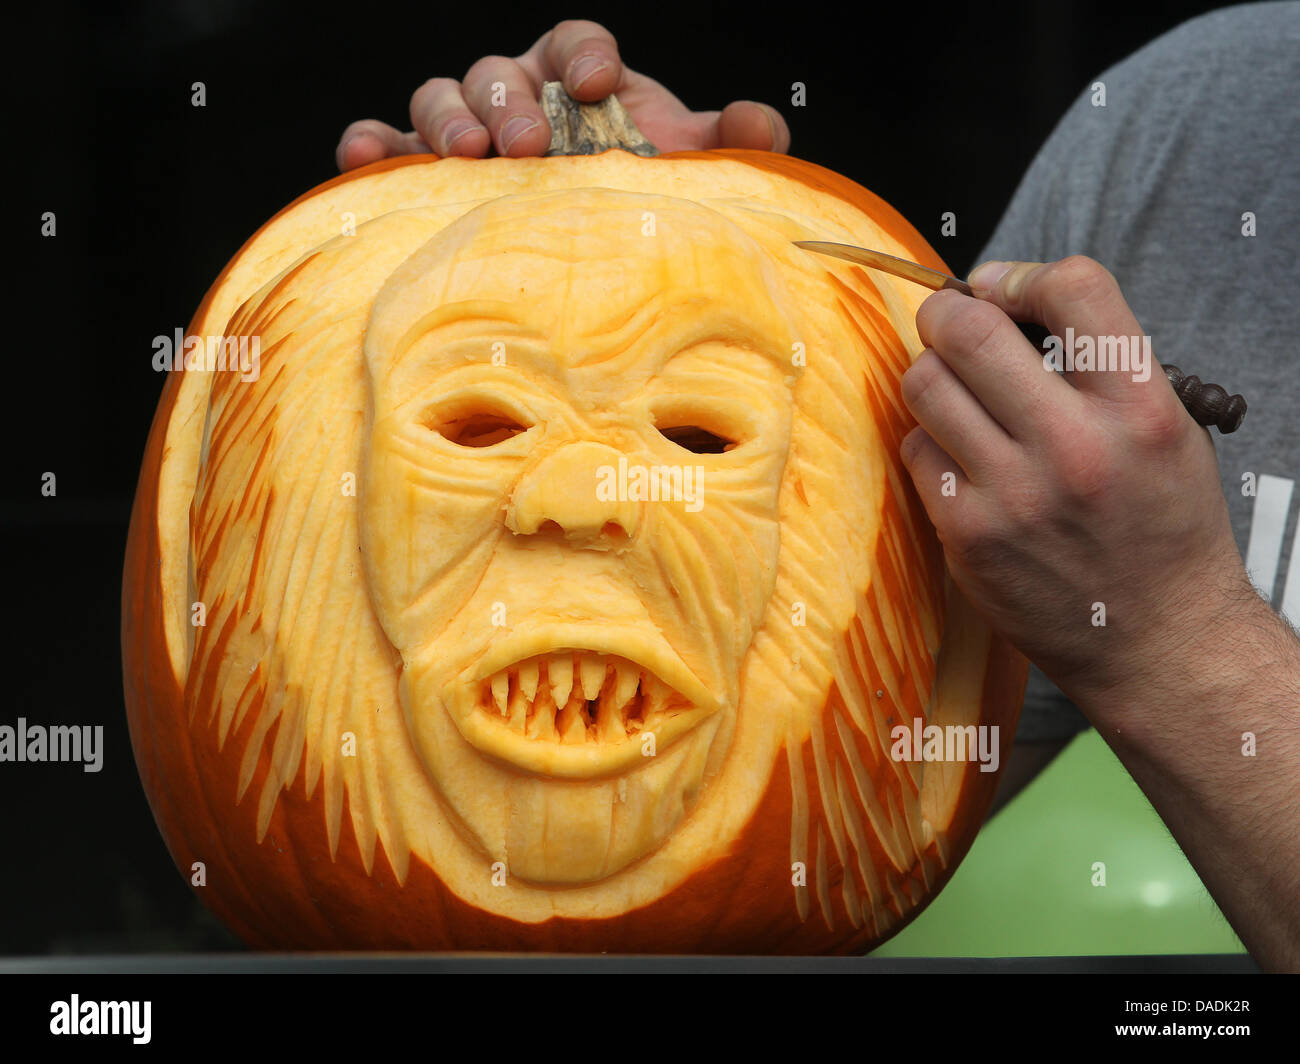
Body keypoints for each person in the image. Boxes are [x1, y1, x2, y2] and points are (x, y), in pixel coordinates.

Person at [333, 10, 1300, 972]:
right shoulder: (1177, 122)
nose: (582, 497)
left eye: (703, 433)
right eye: (481, 422)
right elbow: (873, 795)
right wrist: (634, 230)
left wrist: (1170, 638)